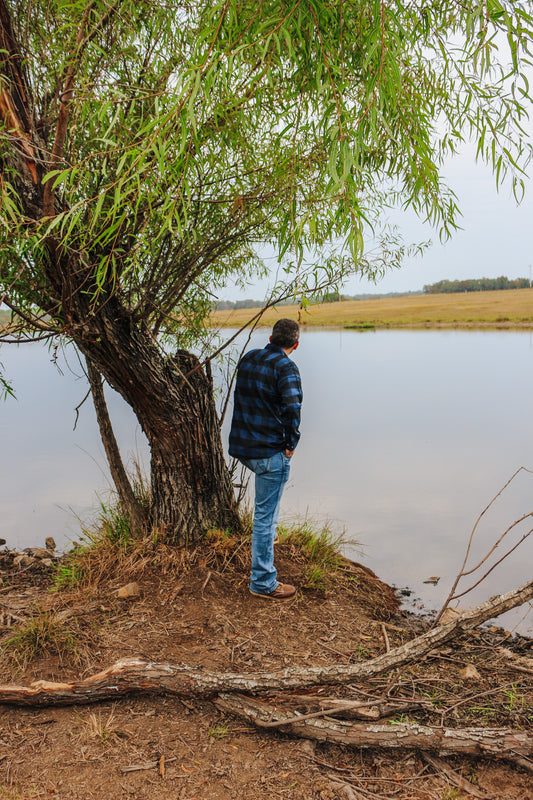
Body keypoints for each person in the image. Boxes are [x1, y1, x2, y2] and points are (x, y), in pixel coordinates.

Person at [229, 318, 303, 599]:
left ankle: (267, 541)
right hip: (269, 452)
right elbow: (292, 409)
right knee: (264, 517)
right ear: (295, 344)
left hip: (243, 448)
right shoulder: (286, 367)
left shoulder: (249, 358)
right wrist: (291, 444)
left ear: (271, 339)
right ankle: (262, 582)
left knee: (266, 514)